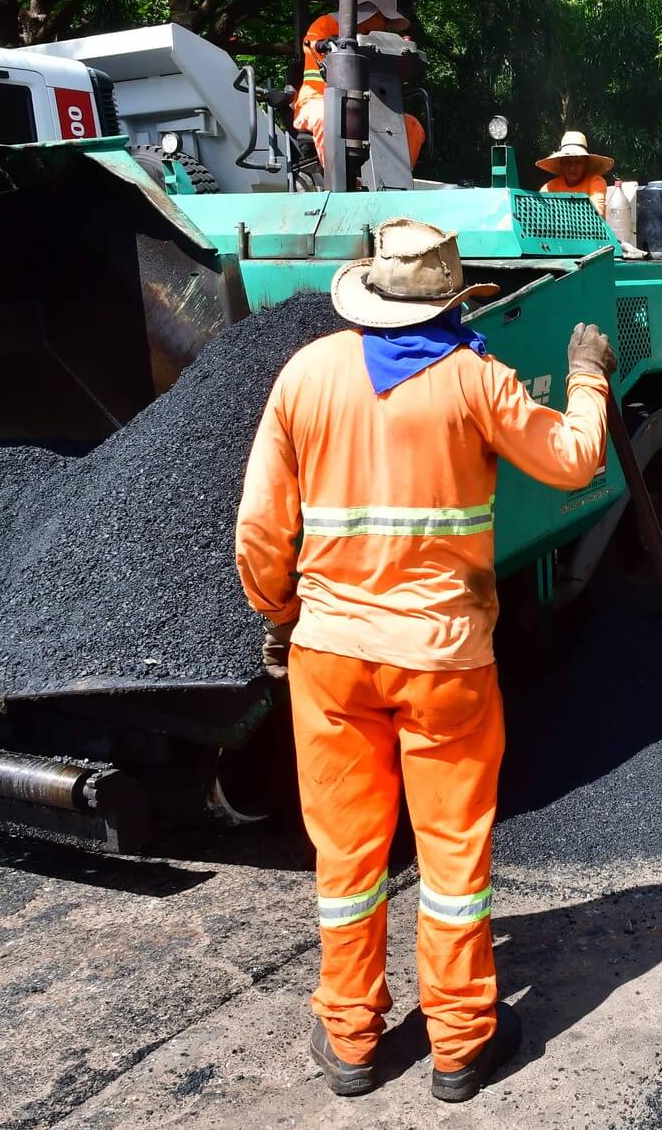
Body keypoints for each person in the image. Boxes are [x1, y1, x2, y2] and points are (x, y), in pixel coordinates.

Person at [235, 218, 615, 1103]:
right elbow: (574, 460)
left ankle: (351, 1038)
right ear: (450, 301)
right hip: (445, 659)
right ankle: (460, 1042)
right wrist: (590, 376)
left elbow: (259, 528)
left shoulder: (306, 376)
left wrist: (279, 613)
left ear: (370, 295)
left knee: (347, 855)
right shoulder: (476, 378)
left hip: (332, 657)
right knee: (451, 856)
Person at [294, 0, 426, 173]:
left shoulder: (379, 43)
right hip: (317, 100)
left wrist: (402, 55)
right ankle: (336, 179)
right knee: (329, 115)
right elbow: (312, 44)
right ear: (371, 13)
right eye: (384, 18)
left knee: (413, 126)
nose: (386, 25)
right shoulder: (327, 24)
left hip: (366, 107)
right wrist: (328, 43)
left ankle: (397, 183)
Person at [534, 131, 613, 217]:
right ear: (561, 163)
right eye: (568, 162)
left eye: (577, 162)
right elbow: (539, 213)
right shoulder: (550, 187)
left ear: (585, 163)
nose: (572, 168)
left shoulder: (596, 182)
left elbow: (597, 212)